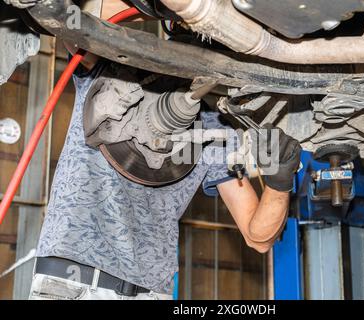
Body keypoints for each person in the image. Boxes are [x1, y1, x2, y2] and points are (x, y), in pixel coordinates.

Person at [28, 0, 301, 300]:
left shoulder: (216, 128)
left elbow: (258, 238)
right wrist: (162, 4)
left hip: (148, 294)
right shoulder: (115, 70)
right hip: (72, 283)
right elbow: (79, 18)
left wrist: (279, 183)